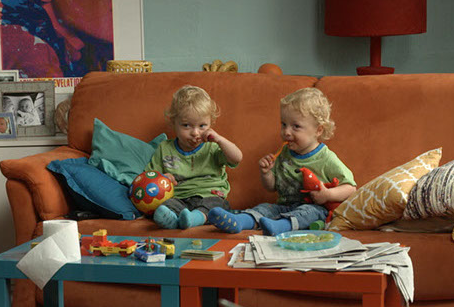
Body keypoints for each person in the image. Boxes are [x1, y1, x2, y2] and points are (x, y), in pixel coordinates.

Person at [209, 88, 356, 236]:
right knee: (265, 208)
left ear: (318, 130)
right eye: (284, 124)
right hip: (283, 207)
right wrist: (266, 173)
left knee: (310, 212)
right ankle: (238, 221)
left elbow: (350, 188)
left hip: (314, 208)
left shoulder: (326, 158)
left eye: (296, 126)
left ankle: (280, 226)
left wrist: (328, 195)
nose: (286, 132)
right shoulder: (284, 153)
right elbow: (272, 187)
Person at [143, 85, 242, 229]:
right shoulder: (165, 148)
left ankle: (194, 218)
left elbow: (237, 158)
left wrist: (220, 140)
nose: (195, 133)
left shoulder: (212, 147)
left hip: (209, 195)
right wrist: (163, 178)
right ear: (173, 123)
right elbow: (150, 177)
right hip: (179, 198)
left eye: (202, 126)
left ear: (211, 123)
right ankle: (173, 221)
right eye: (186, 125)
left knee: (217, 206)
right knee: (165, 206)